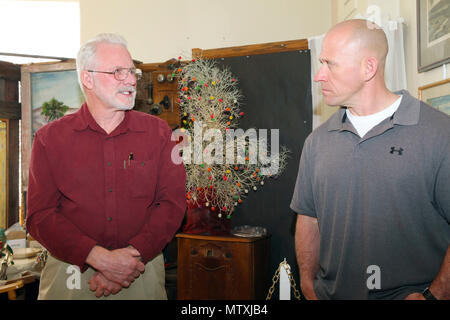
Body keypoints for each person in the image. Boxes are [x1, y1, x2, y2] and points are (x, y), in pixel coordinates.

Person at [290, 19, 449, 300]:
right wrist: (307, 285)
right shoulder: (317, 142)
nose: (319, 75)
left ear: (368, 67)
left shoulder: (440, 134)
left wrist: (435, 295)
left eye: (330, 64)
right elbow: (308, 218)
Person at [26, 33, 186, 299]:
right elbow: (39, 215)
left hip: (141, 270)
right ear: (88, 78)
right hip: (70, 274)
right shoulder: (49, 139)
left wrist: (128, 262)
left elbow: (173, 204)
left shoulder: (160, 133)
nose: (132, 80)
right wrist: (98, 258)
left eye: (132, 71)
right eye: (117, 72)